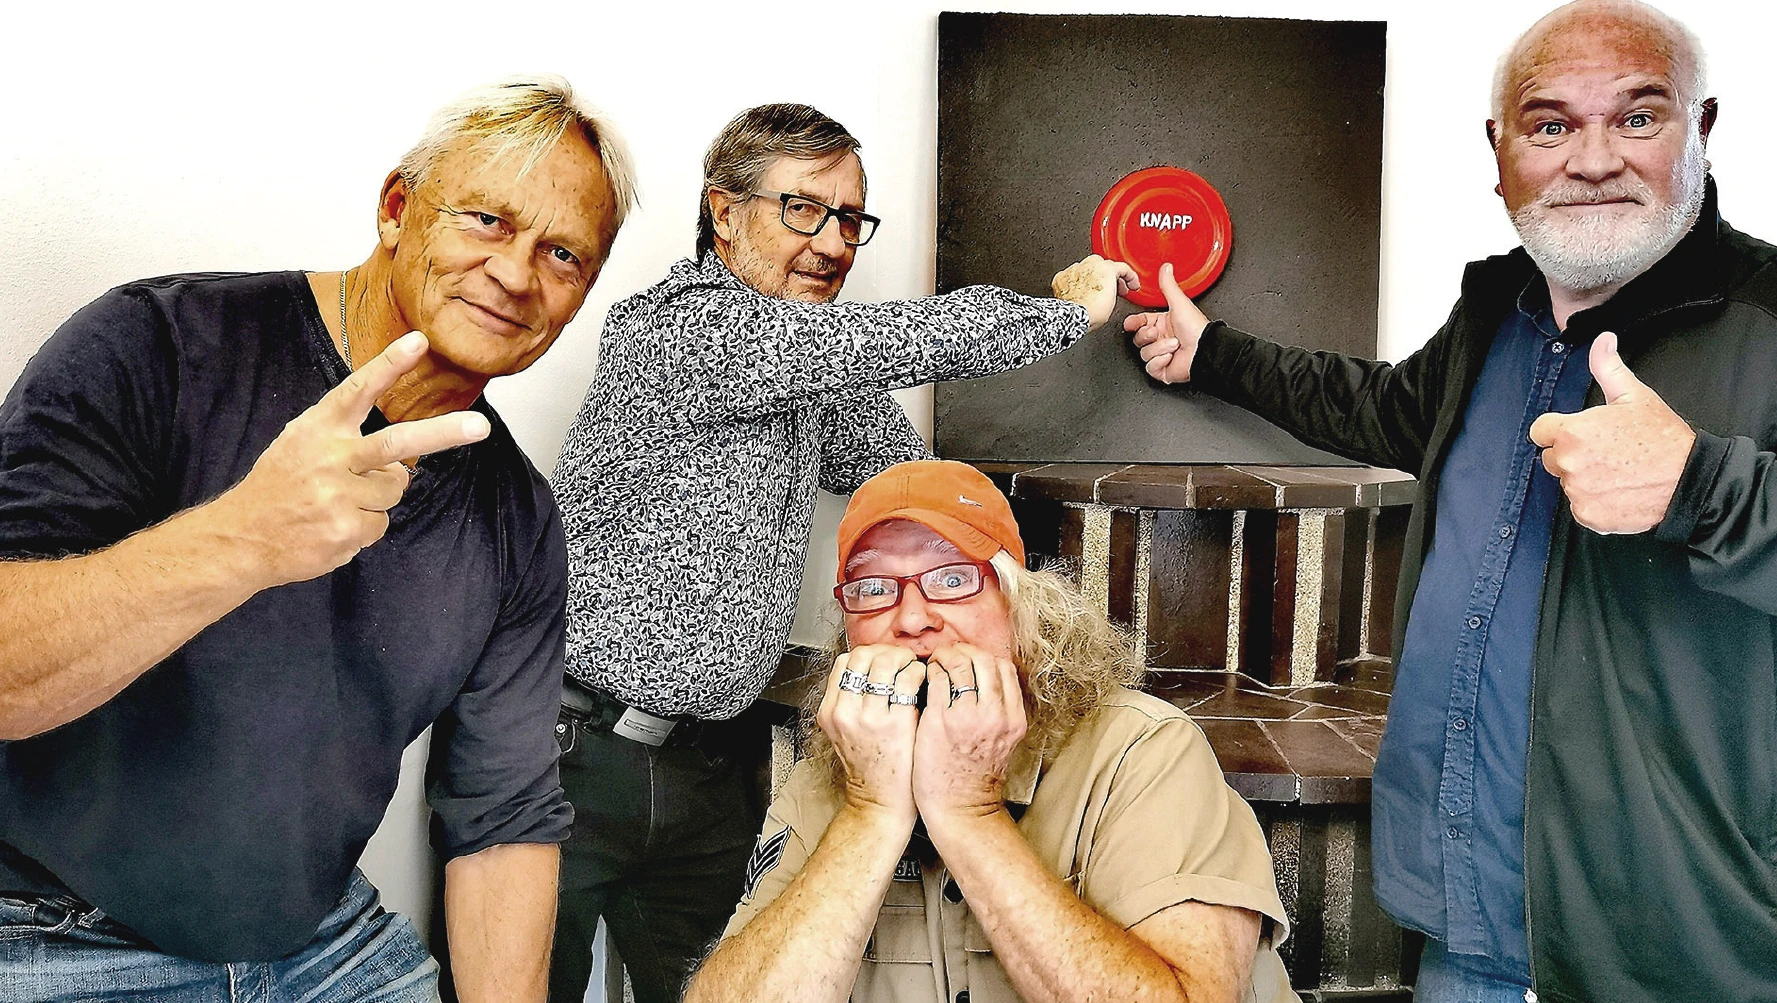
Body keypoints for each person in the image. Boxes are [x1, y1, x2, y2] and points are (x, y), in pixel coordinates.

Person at [1129, 3, 1777, 1001]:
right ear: (1499, 151)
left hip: (1668, 947)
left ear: (1702, 128)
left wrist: (1701, 486)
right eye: (1550, 124)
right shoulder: (1495, 310)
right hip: (1461, 920)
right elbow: (1383, 408)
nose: (1592, 159)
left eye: (1638, 117)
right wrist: (1209, 352)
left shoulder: (1766, 317)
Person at [0, 76, 635, 1002]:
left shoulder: (520, 519)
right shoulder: (157, 342)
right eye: (486, 220)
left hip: (321, 942)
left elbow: (502, 821)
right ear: (396, 209)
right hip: (52, 932)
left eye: (563, 254)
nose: (514, 273)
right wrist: (245, 538)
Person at [547, 103, 1136, 1002]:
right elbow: (888, 340)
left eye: (850, 218)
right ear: (722, 213)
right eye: (803, 209)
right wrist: (1061, 314)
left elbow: (918, 488)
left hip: (707, 769)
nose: (832, 243)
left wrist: (1024, 617)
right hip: (563, 758)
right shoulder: (679, 329)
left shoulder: (809, 372)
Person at [682, 459, 1294, 1003]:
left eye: (952, 579)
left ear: (1020, 607)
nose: (912, 618)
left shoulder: (1141, 752)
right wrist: (871, 813)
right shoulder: (825, 779)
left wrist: (969, 813)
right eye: (873, 589)